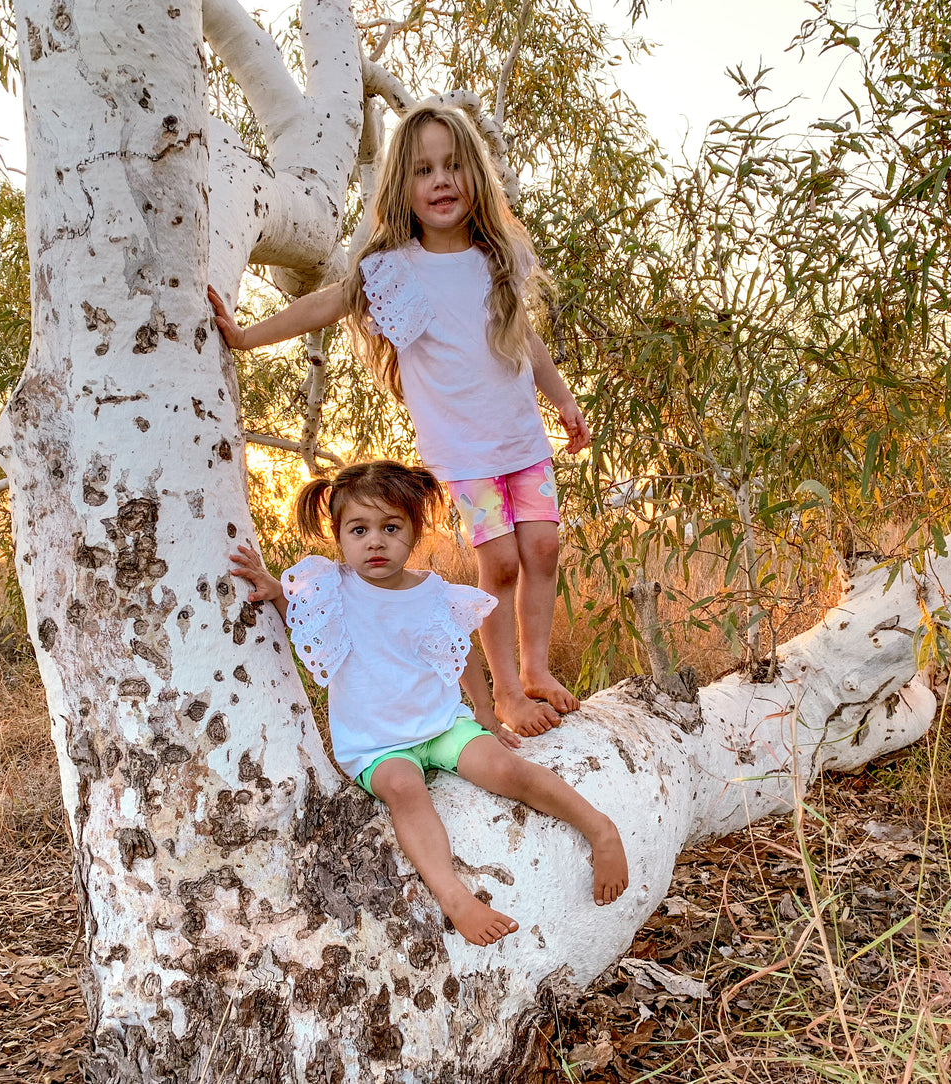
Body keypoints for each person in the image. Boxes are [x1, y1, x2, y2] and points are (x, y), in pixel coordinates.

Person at [210, 101, 589, 740]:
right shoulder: (393, 272)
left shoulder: (499, 261)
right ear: (402, 189)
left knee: (544, 550)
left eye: (451, 166)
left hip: (523, 439)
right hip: (465, 452)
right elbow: (325, 304)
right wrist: (247, 337)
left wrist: (564, 401)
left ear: (474, 175)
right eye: (422, 170)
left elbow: (525, 342)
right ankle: (504, 695)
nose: (440, 181)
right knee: (497, 562)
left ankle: (537, 670)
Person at [229, 460, 627, 946]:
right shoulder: (330, 587)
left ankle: (599, 827)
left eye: (390, 528)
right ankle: (454, 896)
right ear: (339, 537)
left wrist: (484, 714)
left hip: (441, 724)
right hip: (375, 743)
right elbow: (305, 619)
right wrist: (274, 593)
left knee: (506, 769)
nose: (375, 541)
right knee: (403, 789)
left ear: (414, 533)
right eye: (359, 529)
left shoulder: (432, 593)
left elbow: (461, 659)